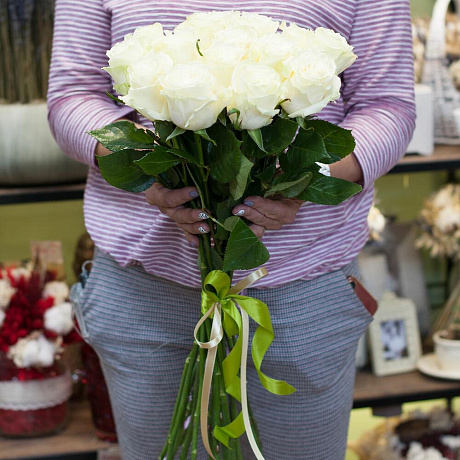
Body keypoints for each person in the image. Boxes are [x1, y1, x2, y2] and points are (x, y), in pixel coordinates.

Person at [47, 1, 415, 459]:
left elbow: (387, 106)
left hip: (302, 294)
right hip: (144, 294)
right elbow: (73, 96)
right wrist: (149, 169)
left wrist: (305, 178)